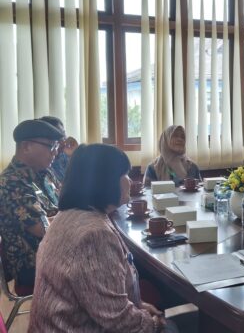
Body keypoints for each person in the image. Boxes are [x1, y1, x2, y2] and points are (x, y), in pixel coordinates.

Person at [28, 144, 174, 332]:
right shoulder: (95, 235)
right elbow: (117, 320)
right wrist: (153, 323)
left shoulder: (68, 215)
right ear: (106, 181)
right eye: (124, 174)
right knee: (172, 326)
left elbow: (100, 296)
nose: (130, 181)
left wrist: (138, 305)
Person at [0, 119, 63, 289]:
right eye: (50, 146)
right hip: (35, 265)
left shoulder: (46, 173)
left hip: (57, 253)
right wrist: (74, 218)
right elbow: (43, 229)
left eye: (56, 146)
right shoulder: (11, 182)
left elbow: (65, 203)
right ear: (26, 147)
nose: (55, 152)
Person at [39, 116, 79, 183]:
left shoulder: (65, 154)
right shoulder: (43, 161)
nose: (64, 140)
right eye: (59, 137)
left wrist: (75, 155)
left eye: (64, 134)